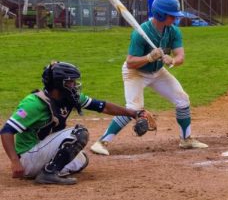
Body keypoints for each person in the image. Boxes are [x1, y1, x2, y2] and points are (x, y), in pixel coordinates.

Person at [90, 0, 207, 155]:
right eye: (172, 16)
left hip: (158, 72)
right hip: (135, 73)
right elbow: (130, 62)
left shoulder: (173, 31)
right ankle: (101, 142)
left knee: (182, 99)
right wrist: (149, 57)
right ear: (160, 14)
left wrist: (172, 60)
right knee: (134, 108)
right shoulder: (140, 33)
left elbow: (181, 57)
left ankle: (186, 139)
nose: (175, 19)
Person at [2, 62, 148, 185]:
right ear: (60, 83)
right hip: (28, 157)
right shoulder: (33, 103)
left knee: (81, 159)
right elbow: (6, 131)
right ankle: (48, 173)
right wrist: (15, 162)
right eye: (70, 82)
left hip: (40, 153)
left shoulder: (69, 97)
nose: (74, 85)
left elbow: (102, 106)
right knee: (78, 133)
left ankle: (46, 170)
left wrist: (134, 113)